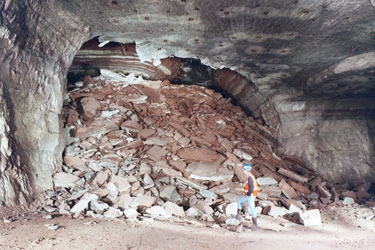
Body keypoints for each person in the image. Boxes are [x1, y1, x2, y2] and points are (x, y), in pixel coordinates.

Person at [235, 163, 260, 229]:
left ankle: (255, 224)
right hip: (249, 195)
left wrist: (248, 195)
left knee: (252, 208)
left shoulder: (250, 178)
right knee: (239, 201)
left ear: (245, 170)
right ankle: (238, 215)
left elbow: (251, 187)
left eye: (243, 169)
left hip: (251, 195)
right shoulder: (249, 176)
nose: (242, 170)